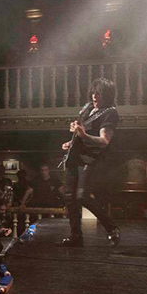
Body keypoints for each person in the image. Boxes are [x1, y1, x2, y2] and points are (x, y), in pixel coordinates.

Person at [59, 78, 120, 247]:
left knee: (82, 196)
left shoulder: (110, 113)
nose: (94, 96)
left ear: (107, 95)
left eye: (99, 93)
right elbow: (80, 134)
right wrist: (71, 143)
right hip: (75, 158)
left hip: (89, 160)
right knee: (69, 197)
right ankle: (76, 236)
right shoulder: (88, 109)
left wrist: (83, 135)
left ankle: (112, 228)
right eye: (93, 92)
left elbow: (104, 140)